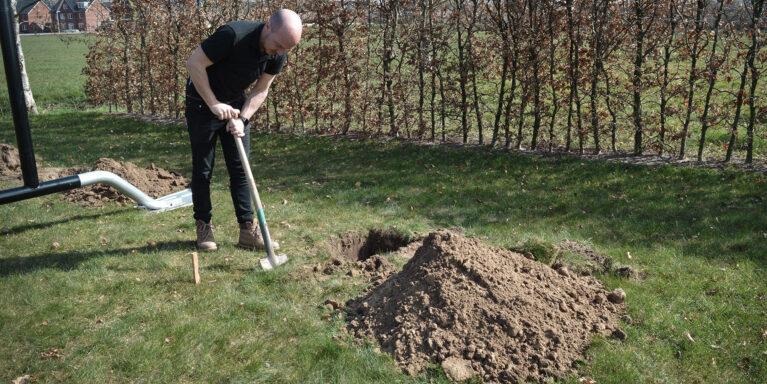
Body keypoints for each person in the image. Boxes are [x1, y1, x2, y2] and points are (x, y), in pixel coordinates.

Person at [185, 9, 302, 251]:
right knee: (203, 169)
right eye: (278, 45)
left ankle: (248, 231)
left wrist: (243, 119)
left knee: (240, 168)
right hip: (201, 101)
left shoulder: (278, 54)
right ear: (268, 25)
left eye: (285, 49)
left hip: (235, 105)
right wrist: (214, 104)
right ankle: (203, 226)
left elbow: (262, 89)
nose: (279, 52)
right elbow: (194, 64)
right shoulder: (233, 35)